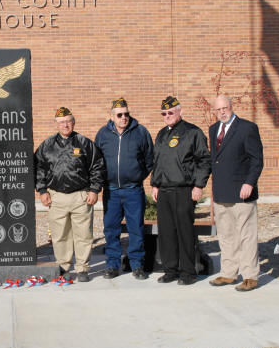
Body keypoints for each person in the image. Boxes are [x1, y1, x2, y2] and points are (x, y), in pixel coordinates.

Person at [34, 107, 106, 282]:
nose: (65, 125)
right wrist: (42, 190)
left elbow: (97, 166)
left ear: (74, 122)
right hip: (56, 196)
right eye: (61, 122)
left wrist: (94, 189)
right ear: (56, 124)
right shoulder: (47, 145)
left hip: (81, 196)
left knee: (83, 234)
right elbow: (39, 169)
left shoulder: (85, 143)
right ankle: (64, 266)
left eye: (68, 121)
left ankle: (82, 268)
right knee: (60, 235)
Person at [151, 96, 211, 285]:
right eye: (164, 113)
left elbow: (204, 160)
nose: (167, 116)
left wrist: (199, 185)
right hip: (164, 190)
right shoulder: (161, 134)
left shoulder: (193, 132)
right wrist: (155, 184)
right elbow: (157, 162)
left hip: (184, 190)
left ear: (180, 111)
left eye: (171, 112)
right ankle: (170, 270)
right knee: (166, 232)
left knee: (184, 232)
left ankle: (187, 273)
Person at [208, 96, 264, 292]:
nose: (222, 112)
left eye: (226, 108)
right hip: (221, 192)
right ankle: (229, 273)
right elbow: (215, 161)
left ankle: (250, 276)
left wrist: (249, 182)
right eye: (219, 109)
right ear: (215, 111)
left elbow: (257, 160)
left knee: (246, 235)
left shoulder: (247, 128)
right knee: (226, 235)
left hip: (242, 192)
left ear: (232, 107)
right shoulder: (213, 130)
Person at [95, 98, 153, 280]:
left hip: (133, 190)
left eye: (126, 114)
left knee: (136, 228)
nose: (124, 117)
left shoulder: (141, 132)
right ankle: (112, 265)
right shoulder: (103, 134)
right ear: (112, 116)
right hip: (111, 191)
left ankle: (137, 265)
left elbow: (149, 160)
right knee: (111, 229)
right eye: (119, 115)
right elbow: (97, 161)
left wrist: (137, 177)